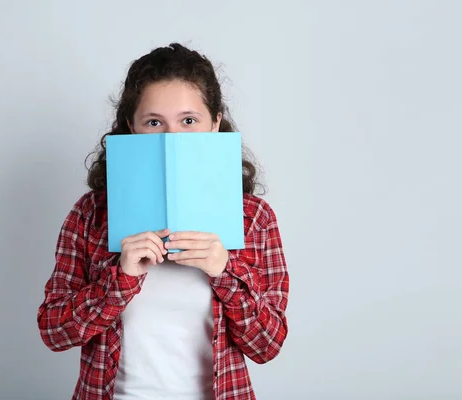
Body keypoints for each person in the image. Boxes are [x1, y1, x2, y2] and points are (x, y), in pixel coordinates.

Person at [37, 43, 289, 400]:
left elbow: (268, 345)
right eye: (154, 122)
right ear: (131, 127)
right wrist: (120, 280)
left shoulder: (254, 219)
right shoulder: (90, 214)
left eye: (189, 120)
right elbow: (54, 331)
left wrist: (225, 273)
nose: (172, 137)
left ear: (215, 123)